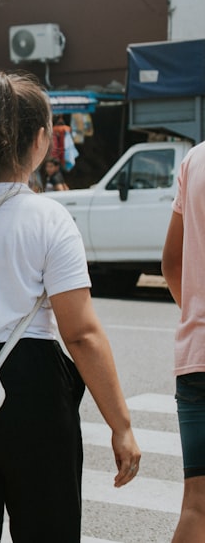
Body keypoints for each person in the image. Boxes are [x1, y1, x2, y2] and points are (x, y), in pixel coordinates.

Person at [0, 70, 140, 542]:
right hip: (28, 387)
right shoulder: (47, 217)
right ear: (39, 140)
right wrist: (121, 425)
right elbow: (81, 333)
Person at [161, 141, 205, 542]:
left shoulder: (196, 159)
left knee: (197, 506)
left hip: (197, 357)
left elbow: (171, 262)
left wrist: (193, 313)